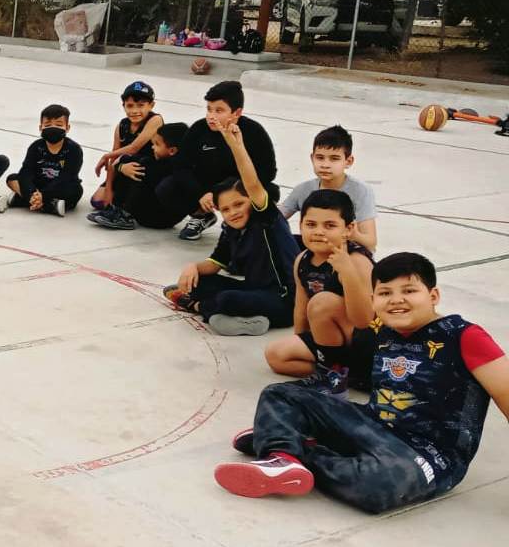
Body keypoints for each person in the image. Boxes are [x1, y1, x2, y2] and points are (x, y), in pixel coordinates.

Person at [215, 252, 509, 513]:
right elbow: (352, 315)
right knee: (280, 394)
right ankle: (281, 458)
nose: (396, 300)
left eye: (409, 290)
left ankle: (297, 446)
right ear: (374, 300)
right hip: (372, 423)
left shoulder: (464, 336)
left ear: (433, 296)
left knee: (376, 487)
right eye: (385, 293)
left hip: (428, 453)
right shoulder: (385, 330)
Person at [163, 119, 298, 336]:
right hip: (254, 291)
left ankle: (199, 307)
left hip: (283, 300)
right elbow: (216, 263)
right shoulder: (231, 229)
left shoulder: (266, 219)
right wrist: (193, 267)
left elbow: (252, 183)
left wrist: (236, 145)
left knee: (227, 299)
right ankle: (246, 320)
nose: (233, 212)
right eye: (225, 209)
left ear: (252, 202)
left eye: (239, 204)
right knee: (199, 283)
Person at [260, 190, 375, 397]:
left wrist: (347, 272)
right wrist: (300, 340)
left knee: (323, 303)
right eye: (311, 225)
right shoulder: (303, 259)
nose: (319, 232)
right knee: (276, 355)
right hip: (333, 345)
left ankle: (335, 375)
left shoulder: (357, 261)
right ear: (301, 225)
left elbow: (364, 321)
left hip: (367, 343)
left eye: (329, 226)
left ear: (348, 229)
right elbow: (301, 309)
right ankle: (339, 373)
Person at [161, 80, 278, 241]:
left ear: (236, 113)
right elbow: (181, 166)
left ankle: (242, 227)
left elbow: (268, 172)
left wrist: (224, 192)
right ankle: (201, 216)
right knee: (168, 187)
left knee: (270, 192)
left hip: (237, 187)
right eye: (209, 109)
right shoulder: (199, 129)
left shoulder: (253, 132)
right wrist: (201, 193)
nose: (211, 116)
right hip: (205, 188)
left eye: (219, 111)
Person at [278, 125, 378, 251]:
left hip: (347, 252)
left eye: (334, 159)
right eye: (320, 158)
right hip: (315, 250)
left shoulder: (360, 191)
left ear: (348, 161)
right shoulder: (303, 189)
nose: (325, 165)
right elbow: (275, 219)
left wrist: (349, 232)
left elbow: (370, 243)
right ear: (312, 158)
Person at [87, 122, 190, 230]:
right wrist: (122, 166)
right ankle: (117, 210)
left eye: (157, 144)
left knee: (137, 169)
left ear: (172, 150)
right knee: (129, 163)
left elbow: (141, 164)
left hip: (158, 218)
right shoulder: (169, 161)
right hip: (160, 215)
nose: (153, 147)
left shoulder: (170, 166)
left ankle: (124, 216)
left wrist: (121, 166)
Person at [89, 81, 163, 211]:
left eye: (141, 105)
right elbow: (114, 159)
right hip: (124, 168)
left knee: (128, 204)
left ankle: (129, 203)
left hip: (146, 169)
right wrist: (108, 187)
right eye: (130, 106)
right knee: (98, 202)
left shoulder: (155, 120)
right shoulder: (121, 126)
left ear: (151, 105)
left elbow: (134, 148)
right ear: (123, 106)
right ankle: (121, 199)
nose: (135, 111)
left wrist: (106, 155)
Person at [3, 104, 84, 217]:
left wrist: (43, 195)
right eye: (48, 124)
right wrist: (32, 193)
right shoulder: (35, 147)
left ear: (67, 127)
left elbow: (67, 176)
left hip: (60, 186)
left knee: (76, 190)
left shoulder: (74, 149)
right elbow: (26, 172)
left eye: (59, 124)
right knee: (12, 179)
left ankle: (24, 200)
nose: (53, 127)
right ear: (40, 127)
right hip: (38, 184)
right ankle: (48, 205)